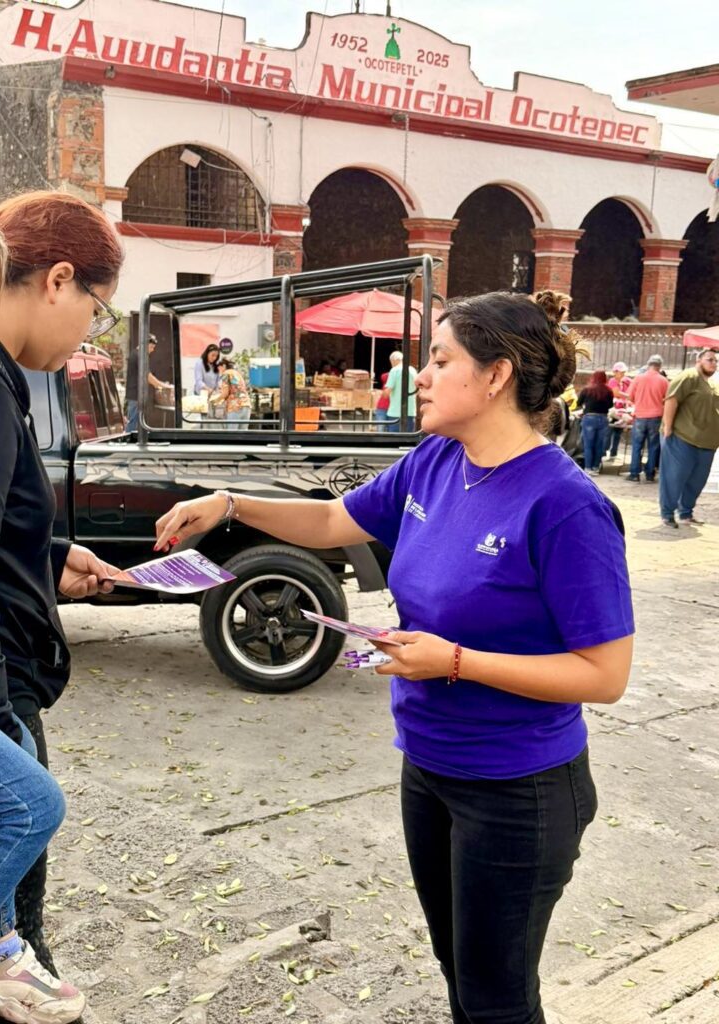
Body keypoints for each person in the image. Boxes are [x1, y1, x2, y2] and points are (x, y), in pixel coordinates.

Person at [153, 289, 634, 1024]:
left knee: (498, 998)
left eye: (440, 360)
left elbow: (604, 675)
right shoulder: (437, 460)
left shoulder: (566, 505)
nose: (422, 376)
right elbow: (330, 518)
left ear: (497, 376)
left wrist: (455, 662)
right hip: (429, 769)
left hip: (519, 791)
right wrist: (230, 504)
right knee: (458, 972)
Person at [0, 191, 125, 1024]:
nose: (91, 330)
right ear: (59, 280)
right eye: (97, 308)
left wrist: (51, 557)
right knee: (12, 961)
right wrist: (1, 729)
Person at [659, 347, 719, 528]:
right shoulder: (688, 376)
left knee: (697, 480)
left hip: (707, 443)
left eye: (716, 361)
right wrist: (668, 427)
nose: (714, 363)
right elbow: (672, 399)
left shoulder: (713, 384)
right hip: (683, 438)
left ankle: (686, 513)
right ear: (698, 361)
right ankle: (667, 514)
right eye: (710, 359)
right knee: (674, 477)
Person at [626, 354, 669, 483]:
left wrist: (638, 401)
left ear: (648, 364)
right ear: (660, 366)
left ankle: (634, 474)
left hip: (640, 416)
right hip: (656, 416)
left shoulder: (638, 378)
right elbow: (668, 399)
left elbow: (629, 396)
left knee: (637, 446)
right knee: (653, 446)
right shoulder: (664, 381)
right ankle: (650, 474)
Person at [125, 332, 169, 431]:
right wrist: (164, 386)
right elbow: (148, 377)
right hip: (135, 395)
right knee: (133, 423)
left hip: (136, 395)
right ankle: (130, 444)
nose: (152, 350)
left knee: (135, 423)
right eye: (151, 347)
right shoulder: (139, 356)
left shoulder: (135, 354)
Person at [577, 370, 614, 475]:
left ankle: (588, 467)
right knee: (599, 444)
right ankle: (596, 467)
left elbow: (578, 402)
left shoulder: (587, 390)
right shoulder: (608, 391)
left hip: (589, 418)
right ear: (605, 378)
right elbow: (610, 405)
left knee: (588, 444)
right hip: (603, 418)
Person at [210, 357, 251, 428]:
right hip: (247, 405)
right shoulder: (237, 373)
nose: (218, 370)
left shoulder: (226, 374)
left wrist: (214, 401)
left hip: (235, 407)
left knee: (232, 435)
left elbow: (225, 393)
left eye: (219, 368)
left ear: (224, 366)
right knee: (243, 436)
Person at [385, 350, 417, 432]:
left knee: (394, 441)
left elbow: (387, 391)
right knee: (408, 440)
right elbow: (418, 390)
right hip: (410, 411)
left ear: (394, 360)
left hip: (395, 412)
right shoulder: (413, 370)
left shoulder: (394, 370)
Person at [605, 361, 631, 460]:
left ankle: (614, 452)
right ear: (615, 372)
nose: (623, 374)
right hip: (613, 410)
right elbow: (616, 393)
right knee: (609, 431)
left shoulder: (626, 381)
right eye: (621, 372)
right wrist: (629, 396)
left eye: (624, 372)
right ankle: (604, 451)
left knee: (618, 432)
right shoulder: (612, 381)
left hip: (623, 410)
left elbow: (633, 389)